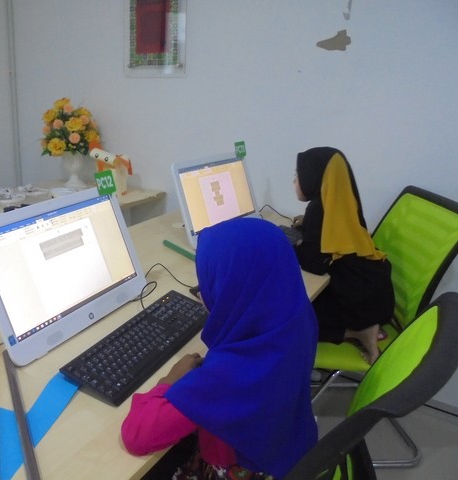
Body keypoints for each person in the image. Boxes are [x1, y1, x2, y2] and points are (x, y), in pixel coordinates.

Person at [121, 218, 319, 480]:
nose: (201, 291)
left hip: (241, 467)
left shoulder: (228, 377)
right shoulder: (298, 320)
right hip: (287, 445)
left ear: (231, 291)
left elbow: (137, 435)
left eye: (207, 283)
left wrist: (168, 381)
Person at [292, 146, 394, 364]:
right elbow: (330, 233)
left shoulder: (317, 209)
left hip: (357, 305)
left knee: (290, 316)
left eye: (297, 176)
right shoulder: (342, 199)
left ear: (313, 177)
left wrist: (295, 245)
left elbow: (313, 264)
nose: (294, 182)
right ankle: (366, 328)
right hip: (376, 293)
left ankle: (359, 332)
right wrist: (306, 227)